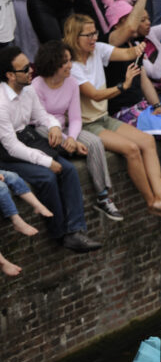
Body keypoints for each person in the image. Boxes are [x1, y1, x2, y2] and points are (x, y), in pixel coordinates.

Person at [63, 14, 161, 219]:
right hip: (86, 124)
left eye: (95, 33)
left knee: (147, 141)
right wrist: (123, 86)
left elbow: (125, 53)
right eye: (88, 35)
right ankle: (151, 202)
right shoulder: (72, 67)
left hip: (103, 117)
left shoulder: (98, 50)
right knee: (131, 149)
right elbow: (94, 94)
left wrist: (137, 49)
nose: (94, 38)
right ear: (75, 37)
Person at [0, 47, 101, 253]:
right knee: (46, 177)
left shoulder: (27, 91)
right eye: (25, 68)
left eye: (30, 66)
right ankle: (59, 234)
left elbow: (42, 116)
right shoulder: (1, 103)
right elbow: (11, 146)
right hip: (5, 153)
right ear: (10, 75)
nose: (31, 71)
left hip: (27, 138)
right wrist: (47, 161)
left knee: (70, 170)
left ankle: (75, 230)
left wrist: (54, 125)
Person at [31, 40, 123, 222]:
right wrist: (67, 139)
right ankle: (68, 148)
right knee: (45, 129)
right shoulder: (36, 85)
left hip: (65, 128)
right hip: (44, 129)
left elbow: (74, 118)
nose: (70, 65)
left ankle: (103, 196)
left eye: (69, 60)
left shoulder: (71, 83)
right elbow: (39, 119)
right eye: (65, 62)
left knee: (95, 142)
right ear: (52, 63)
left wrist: (72, 138)